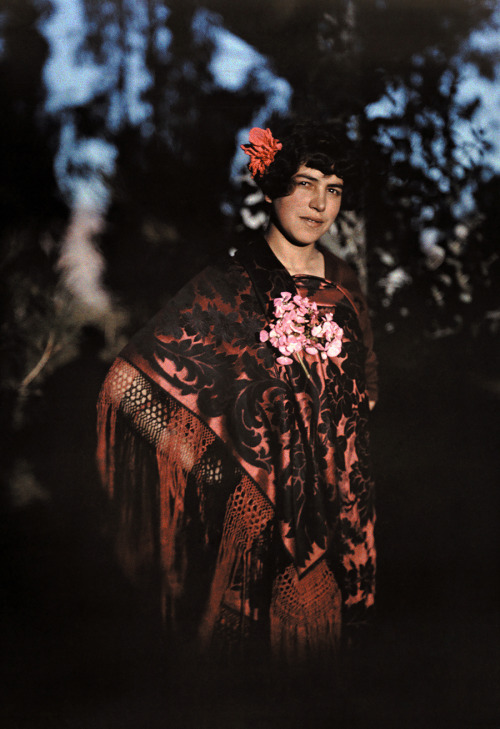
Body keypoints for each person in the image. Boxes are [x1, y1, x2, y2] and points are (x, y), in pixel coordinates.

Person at [97, 120, 378, 672]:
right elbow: (128, 386)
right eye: (305, 183)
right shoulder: (227, 284)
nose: (320, 203)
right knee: (249, 685)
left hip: (341, 515)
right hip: (254, 532)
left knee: (331, 687)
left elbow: (363, 396)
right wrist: (218, 476)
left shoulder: (346, 284)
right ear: (272, 186)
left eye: (335, 189)